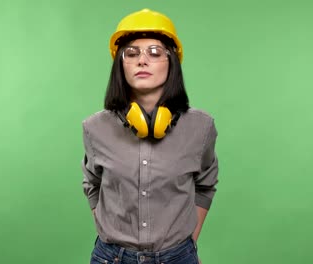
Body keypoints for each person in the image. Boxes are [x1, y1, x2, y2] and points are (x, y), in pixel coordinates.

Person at [81, 8, 219, 264]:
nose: (141, 60)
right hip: (112, 258)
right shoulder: (95, 127)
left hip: (178, 257)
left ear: (172, 62)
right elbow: (92, 184)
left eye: (154, 52)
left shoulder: (201, 127)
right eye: (131, 53)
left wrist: (188, 245)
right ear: (120, 64)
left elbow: (205, 184)